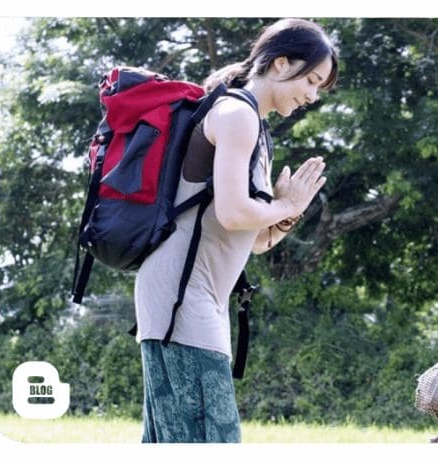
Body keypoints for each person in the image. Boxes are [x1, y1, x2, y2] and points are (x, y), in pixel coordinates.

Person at [133, 18, 338, 443]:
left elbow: (254, 239)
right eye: (313, 80)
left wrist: (286, 215)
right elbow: (231, 212)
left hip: (193, 296)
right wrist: (285, 204)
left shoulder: (255, 129)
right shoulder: (235, 113)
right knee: (212, 440)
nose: (313, 96)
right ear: (281, 64)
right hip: (181, 297)